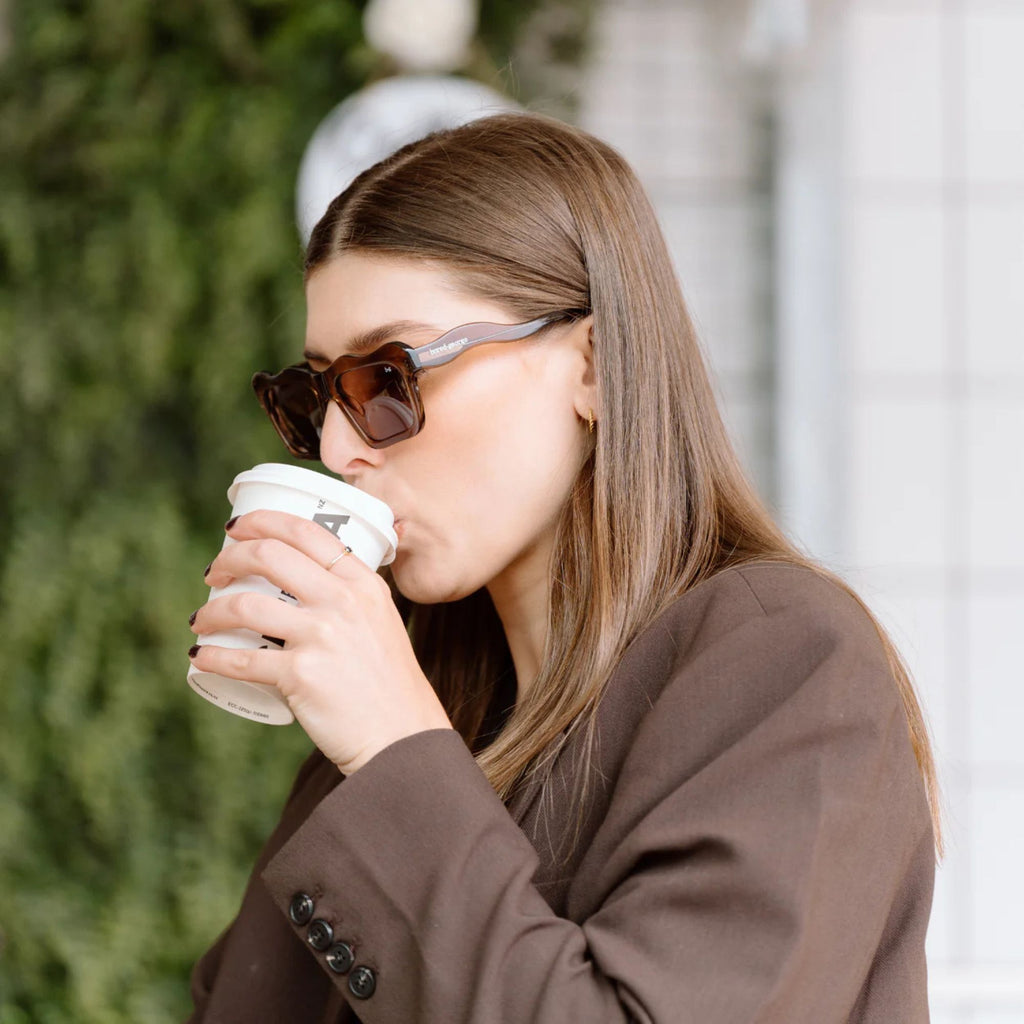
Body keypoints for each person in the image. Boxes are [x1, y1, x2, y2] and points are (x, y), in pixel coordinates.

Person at [185, 111, 941, 1023]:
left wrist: (391, 750)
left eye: (389, 380)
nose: (339, 448)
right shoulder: (428, 706)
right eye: (314, 397)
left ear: (591, 365)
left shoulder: (786, 662)